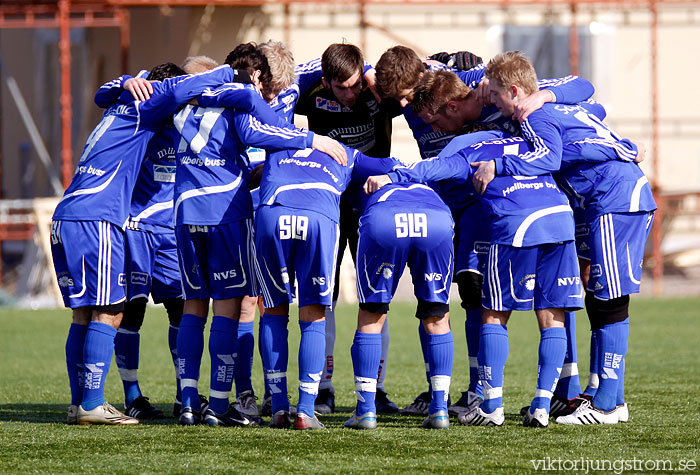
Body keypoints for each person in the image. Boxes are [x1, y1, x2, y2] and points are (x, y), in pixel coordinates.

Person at [374, 45, 595, 416]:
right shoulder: (442, 106)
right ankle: (511, 396)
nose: (412, 112)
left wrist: (542, 96)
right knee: (524, 298)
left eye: (414, 102)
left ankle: (506, 396)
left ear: (452, 105)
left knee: (495, 305)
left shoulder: (487, 91)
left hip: (507, 208)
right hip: (524, 207)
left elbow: (586, 94)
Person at [53, 63, 241, 425]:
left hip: (70, 213)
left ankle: (81, 404)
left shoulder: (118, 106)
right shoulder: (148, 105)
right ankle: (94, 403)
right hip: (100, 216)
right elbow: (181, 87)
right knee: (112, 311)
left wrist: (125, 80)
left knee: (85, 312)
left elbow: (102, 93)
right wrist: (231, 71)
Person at [170, 46, 345, 426]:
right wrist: (309, 139)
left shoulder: (182, 99)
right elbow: (261, 129)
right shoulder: (245, 98)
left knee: (205, 306)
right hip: (236, 204)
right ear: (257, 77)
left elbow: (325, 64)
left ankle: (203, 397)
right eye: (269, 89)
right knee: (246, 304)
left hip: (190, 207)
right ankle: (237, 396)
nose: (272, 97)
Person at [476, 50, 651, 424]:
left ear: (513, 89)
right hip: (605, 198)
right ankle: (603, 394)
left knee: (609, 298)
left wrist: (498, 164)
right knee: (597, 293)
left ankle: (607, 404)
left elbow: (548, 159)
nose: (488, 101)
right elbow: (594, 102)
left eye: (493, 93)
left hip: (611, 197)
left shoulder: (534, 113)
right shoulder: (551, 100)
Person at [365, 130, 584, 427]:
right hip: (561, 220)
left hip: (516, 223)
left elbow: (431, 168)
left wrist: (394, 176)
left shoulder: (467, 153)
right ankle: (542, 406)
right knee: (552, 315)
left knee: (493, 315)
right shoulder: (529, 143)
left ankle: (492, 405)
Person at [252, 144, 401, 429]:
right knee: (313, 314)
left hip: (272, 215)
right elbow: (393, 165)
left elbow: (252, 175)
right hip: (317, 217)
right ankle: (306, 410)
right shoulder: (348, 154)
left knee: (272, 311)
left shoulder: (279, 145)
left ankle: (279, 406)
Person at [294, 43, 403, 415]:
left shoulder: (376, 91)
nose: (350, 94)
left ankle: (377, 387)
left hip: (372, 200)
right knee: (325, 292)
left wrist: (373, 74)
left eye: (356, 85)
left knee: (376, 293)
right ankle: (323, 388)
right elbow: (276, 90)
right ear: (326, 82)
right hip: (328, 200)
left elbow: (413, 88)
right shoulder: (312, 92)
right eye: (340, 88)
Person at [346, 181, 455, 430]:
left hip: (384, 219)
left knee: (371, 316)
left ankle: (365, 411)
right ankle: (439, 411)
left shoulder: (366, 176)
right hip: (434, 220)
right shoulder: (429, 181)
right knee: (437, 316)